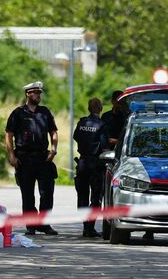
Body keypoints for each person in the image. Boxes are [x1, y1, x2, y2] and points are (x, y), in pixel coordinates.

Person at [5, 81, 59, 235]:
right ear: (28, 94)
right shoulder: (18, 113)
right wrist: (11, 155)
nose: (38, 95)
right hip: (24, 158)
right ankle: (31, 224)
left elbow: (53, 132)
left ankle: (44, 223)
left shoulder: (45, 112)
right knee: (27, 194)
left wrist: (53, 150)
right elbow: (9, 134)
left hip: (43, 157)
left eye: (40, 93)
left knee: (47, 193)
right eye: (35, 92)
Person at [73, 97, 108, 238]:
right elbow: (105, 148)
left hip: (82, 163)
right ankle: (90, 227)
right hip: (96, 164)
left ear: (88, 108)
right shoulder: (102, 125)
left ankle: (85, 226)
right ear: (100, 109)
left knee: (82, 195)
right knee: (96, 197)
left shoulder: (82, 122)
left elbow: (76, 137)